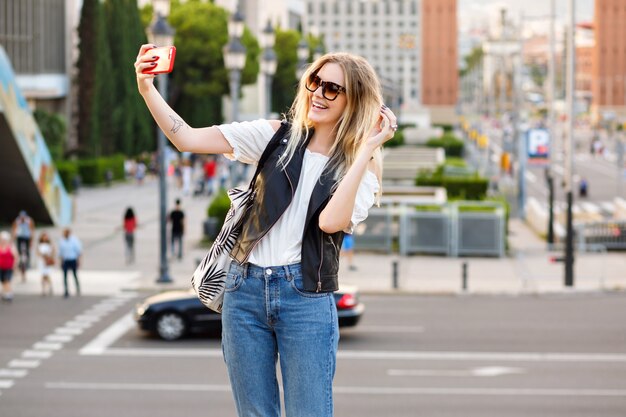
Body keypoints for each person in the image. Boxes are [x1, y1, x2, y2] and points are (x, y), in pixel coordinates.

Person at [136, 47, 395, 417]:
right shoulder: (275, 137)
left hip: (305, 297)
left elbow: (330, 222)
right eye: (315, 82)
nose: (318, 94)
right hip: (245, 290)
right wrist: (147, 88)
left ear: (355, 101)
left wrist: (366, 149)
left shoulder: (360, 173)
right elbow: (188, 139)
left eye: (332, 89)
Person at [58, 228, 82, 298]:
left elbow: (78, 250)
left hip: (73, 259)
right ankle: (66, 290)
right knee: (65, 276)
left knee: (74, 274)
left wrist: (78, 260)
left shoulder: (74, 240)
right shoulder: (62, 240)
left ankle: (77, 288)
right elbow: (60, 252)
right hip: (65, 260)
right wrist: (61, 261)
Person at [12, 210, 35, 282]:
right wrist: (14, 237)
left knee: (27, 251)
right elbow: (14, 229)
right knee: (19, 251)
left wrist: (31, 240)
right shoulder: (17, 220)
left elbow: (31, 230)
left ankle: (28, 262)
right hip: (20, 237)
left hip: (26, 237)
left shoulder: (29, 220)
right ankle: (19, 262)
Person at [0, 231, 16, 301]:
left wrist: (14, 266)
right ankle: (5, 293)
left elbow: (15, 257)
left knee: (7, 280)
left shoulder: (11, 246)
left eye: (4, 239)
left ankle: (9, 294)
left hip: (9, 267)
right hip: (1, 267)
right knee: (3, 281)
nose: (3, 240)